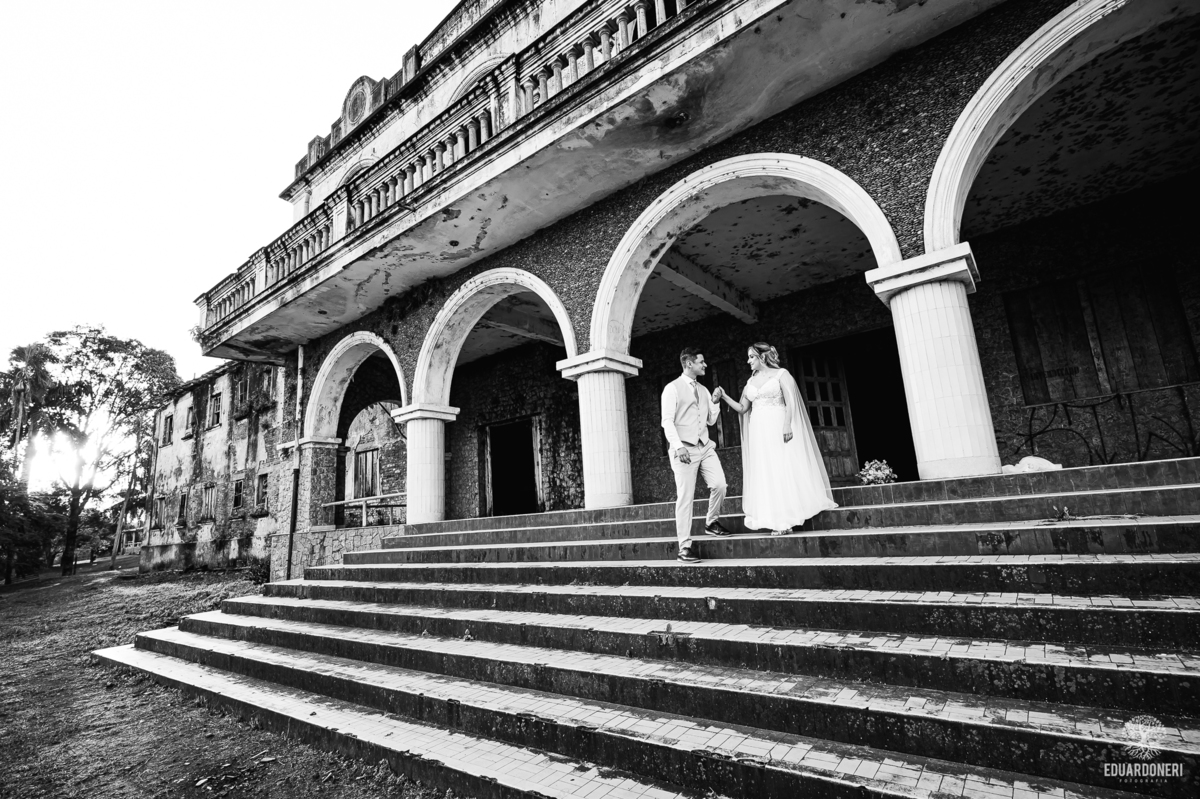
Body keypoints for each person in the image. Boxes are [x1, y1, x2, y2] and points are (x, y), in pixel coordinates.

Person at [717, 342, 836, 533]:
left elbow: (791, 402)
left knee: (782, 466)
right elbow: (742, 408)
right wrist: (724, 396)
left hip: (777, 424)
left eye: (751, 357)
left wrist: (787, 423)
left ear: (762, 357)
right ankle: (773, 516)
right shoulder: (750, 381)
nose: (748, 361)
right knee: (767, 470)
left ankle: (785, 518)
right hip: (759, 431)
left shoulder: (782, 374)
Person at [661, 347, 732, 563]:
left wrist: (716, 401)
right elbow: (667, 421)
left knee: (720, 484)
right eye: (701, 362)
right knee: (685, 497)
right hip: (683, 449)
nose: (705, 365)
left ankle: (711, 522)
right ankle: (684, 547)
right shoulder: (671, 389)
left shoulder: (703, 390)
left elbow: (710, 421)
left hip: (705, 446)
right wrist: (678, 446)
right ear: (689, 364)